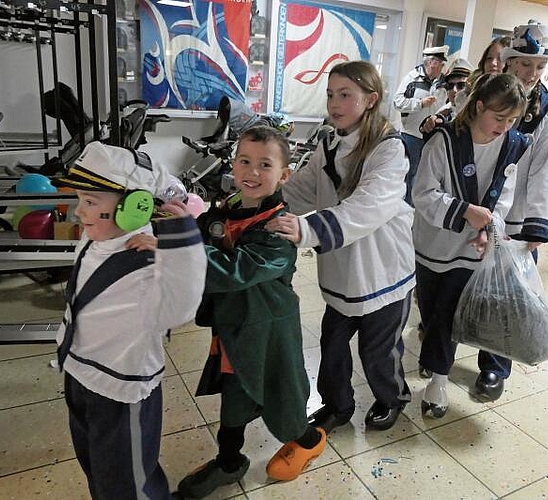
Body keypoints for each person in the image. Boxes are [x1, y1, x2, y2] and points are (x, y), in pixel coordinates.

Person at [176, 126, 326, 498]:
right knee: (234, 394)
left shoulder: (279, 230)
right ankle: (229, 462)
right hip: (235, 326)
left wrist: (179, 244)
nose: (252, 172)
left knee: (283, 393)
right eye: (245, 161)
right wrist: (179, 217)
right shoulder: (230, 208)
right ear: (233, 163)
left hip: (270, 329)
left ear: (284, 175)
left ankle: (308, 439)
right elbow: (205, 231)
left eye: (264, 165)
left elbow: (234, 270)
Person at [52, 141, 208, 500]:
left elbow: (181, 306)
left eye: (91, 202)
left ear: (135, 208)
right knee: (96, 466)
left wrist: (178, 244)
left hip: (122, 391)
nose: (79, 212)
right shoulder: (94, 240)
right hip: (81, 374)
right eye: (80, 199)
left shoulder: (148, 264)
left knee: (129, 484)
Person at [267, 60, 414, 433]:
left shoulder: (389, 149)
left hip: (383, 270)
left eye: (345, 95)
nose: (334, 103)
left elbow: (369, 205)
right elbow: (302, 188)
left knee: (377, 351)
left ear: (370, 99)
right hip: (344, 270)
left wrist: (307, 228)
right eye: (331, 94)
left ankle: (392, 398)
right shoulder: (329, 142)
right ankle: (337, 405)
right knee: (332, 344)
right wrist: (261, 203)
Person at [413, 73, 528, 417]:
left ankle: (438, 380)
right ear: (479, 106)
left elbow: (506, 196)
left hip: (473, 249)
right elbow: (424, 195)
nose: (503, 127)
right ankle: (434, 360)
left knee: (448, 313)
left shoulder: (512, 146)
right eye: (497, 117)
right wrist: (465, 212)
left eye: (511, 120)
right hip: (434, 244)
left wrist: (489, 225)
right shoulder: (443, 142)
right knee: (433, 311)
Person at [470, 20, 548, 401]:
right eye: (524, 64)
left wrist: (536, 227)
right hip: (473, 205)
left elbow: (545, 166)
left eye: (539, 67)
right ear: (508, 61)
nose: (531, 73)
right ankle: (440, 348)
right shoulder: (483, 93)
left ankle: (495, 366)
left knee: (506, 295)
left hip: (517, 214)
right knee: (459, 280)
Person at [393, 45, 449, 205]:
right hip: (412, 135)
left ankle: (417, 209)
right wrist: (419, 104)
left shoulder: (442, 82)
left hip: (433, 136)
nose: (442, 67)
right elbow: (397, 102)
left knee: (426, 177)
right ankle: (406, 208)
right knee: (410, 174)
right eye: (440, 63)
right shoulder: (412, 78)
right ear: (431, 62)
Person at [454, 36, 511, 112]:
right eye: (489, 58)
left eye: (500, 58)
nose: (493, 63)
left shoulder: (513, 98)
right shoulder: (467, 95)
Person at [419, 58, 473, 135]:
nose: (454, 90)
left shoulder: (478, 113)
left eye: (461, 85)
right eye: (450, 85)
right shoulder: (444, 111)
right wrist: (429, 125)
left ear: (471, 87)